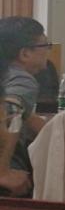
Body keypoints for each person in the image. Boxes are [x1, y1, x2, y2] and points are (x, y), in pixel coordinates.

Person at [0, 17, 50, 197]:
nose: (48, 50)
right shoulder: (22, 78)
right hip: (8, 178)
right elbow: (11, 109)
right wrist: (2, 172)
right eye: (45, 45)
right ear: (25, 54)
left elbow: (24, 116)